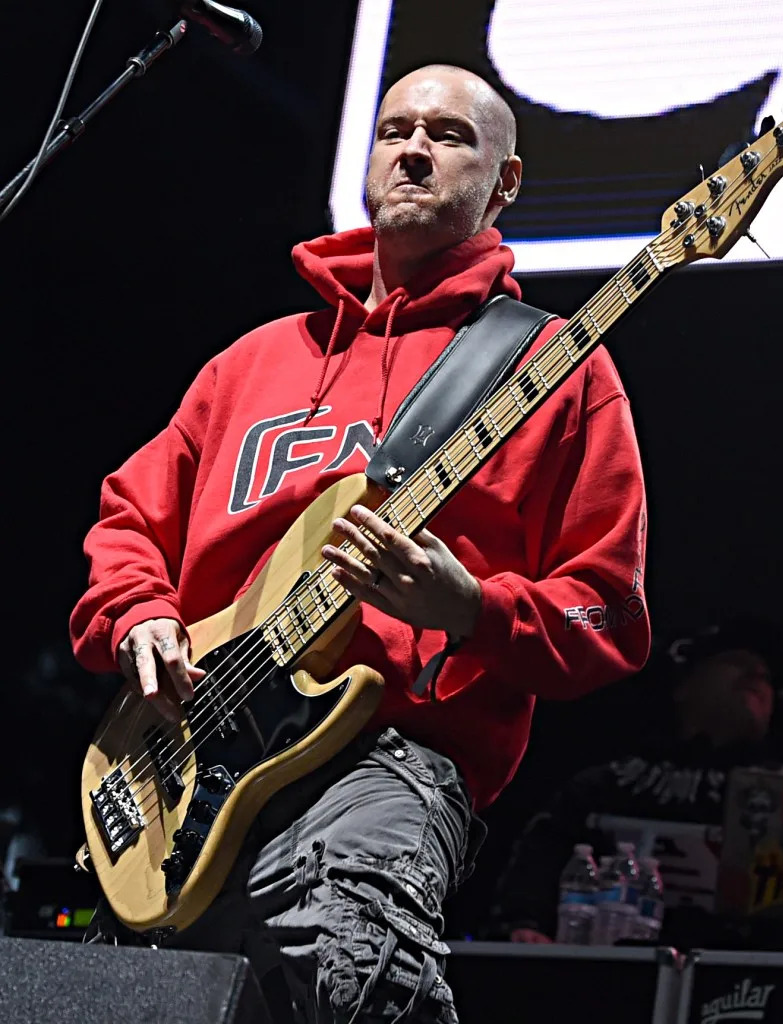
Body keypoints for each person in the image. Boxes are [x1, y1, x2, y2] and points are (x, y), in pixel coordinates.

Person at [70, 65, 649, 1022]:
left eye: (450, 136)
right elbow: (130, 518)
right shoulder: (253, 361)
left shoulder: (555, 369)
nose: (414, 149)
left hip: (388, 755)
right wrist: (139, 615)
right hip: (183, 763)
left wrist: (470, 607)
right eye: (394, 130)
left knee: (356, 968)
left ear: (505, 182)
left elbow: (610, 612)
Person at [489, 616, 783, 946]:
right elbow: (541, 857)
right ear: (684, 685)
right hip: (610, 967)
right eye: (736, 663)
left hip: (743, 979)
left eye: (766, 676)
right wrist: (526, 923)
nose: (756, 676)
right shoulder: (606, 784)